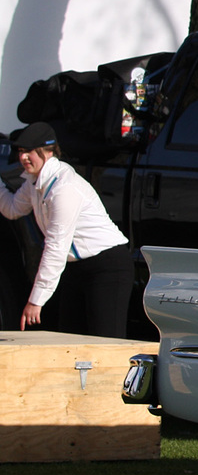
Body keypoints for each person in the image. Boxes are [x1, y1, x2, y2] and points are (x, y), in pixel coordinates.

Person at [0, 121, 132, 337]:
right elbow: (12, 208)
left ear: (48, 152)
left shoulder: (63, 187)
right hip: (76, 268)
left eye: (30, 152)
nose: (23, 158)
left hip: (107, 267)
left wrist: (36, 300)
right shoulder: (34, 182)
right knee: (70, 341)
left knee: (108, 342)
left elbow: (56, 247)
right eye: (21, 152)